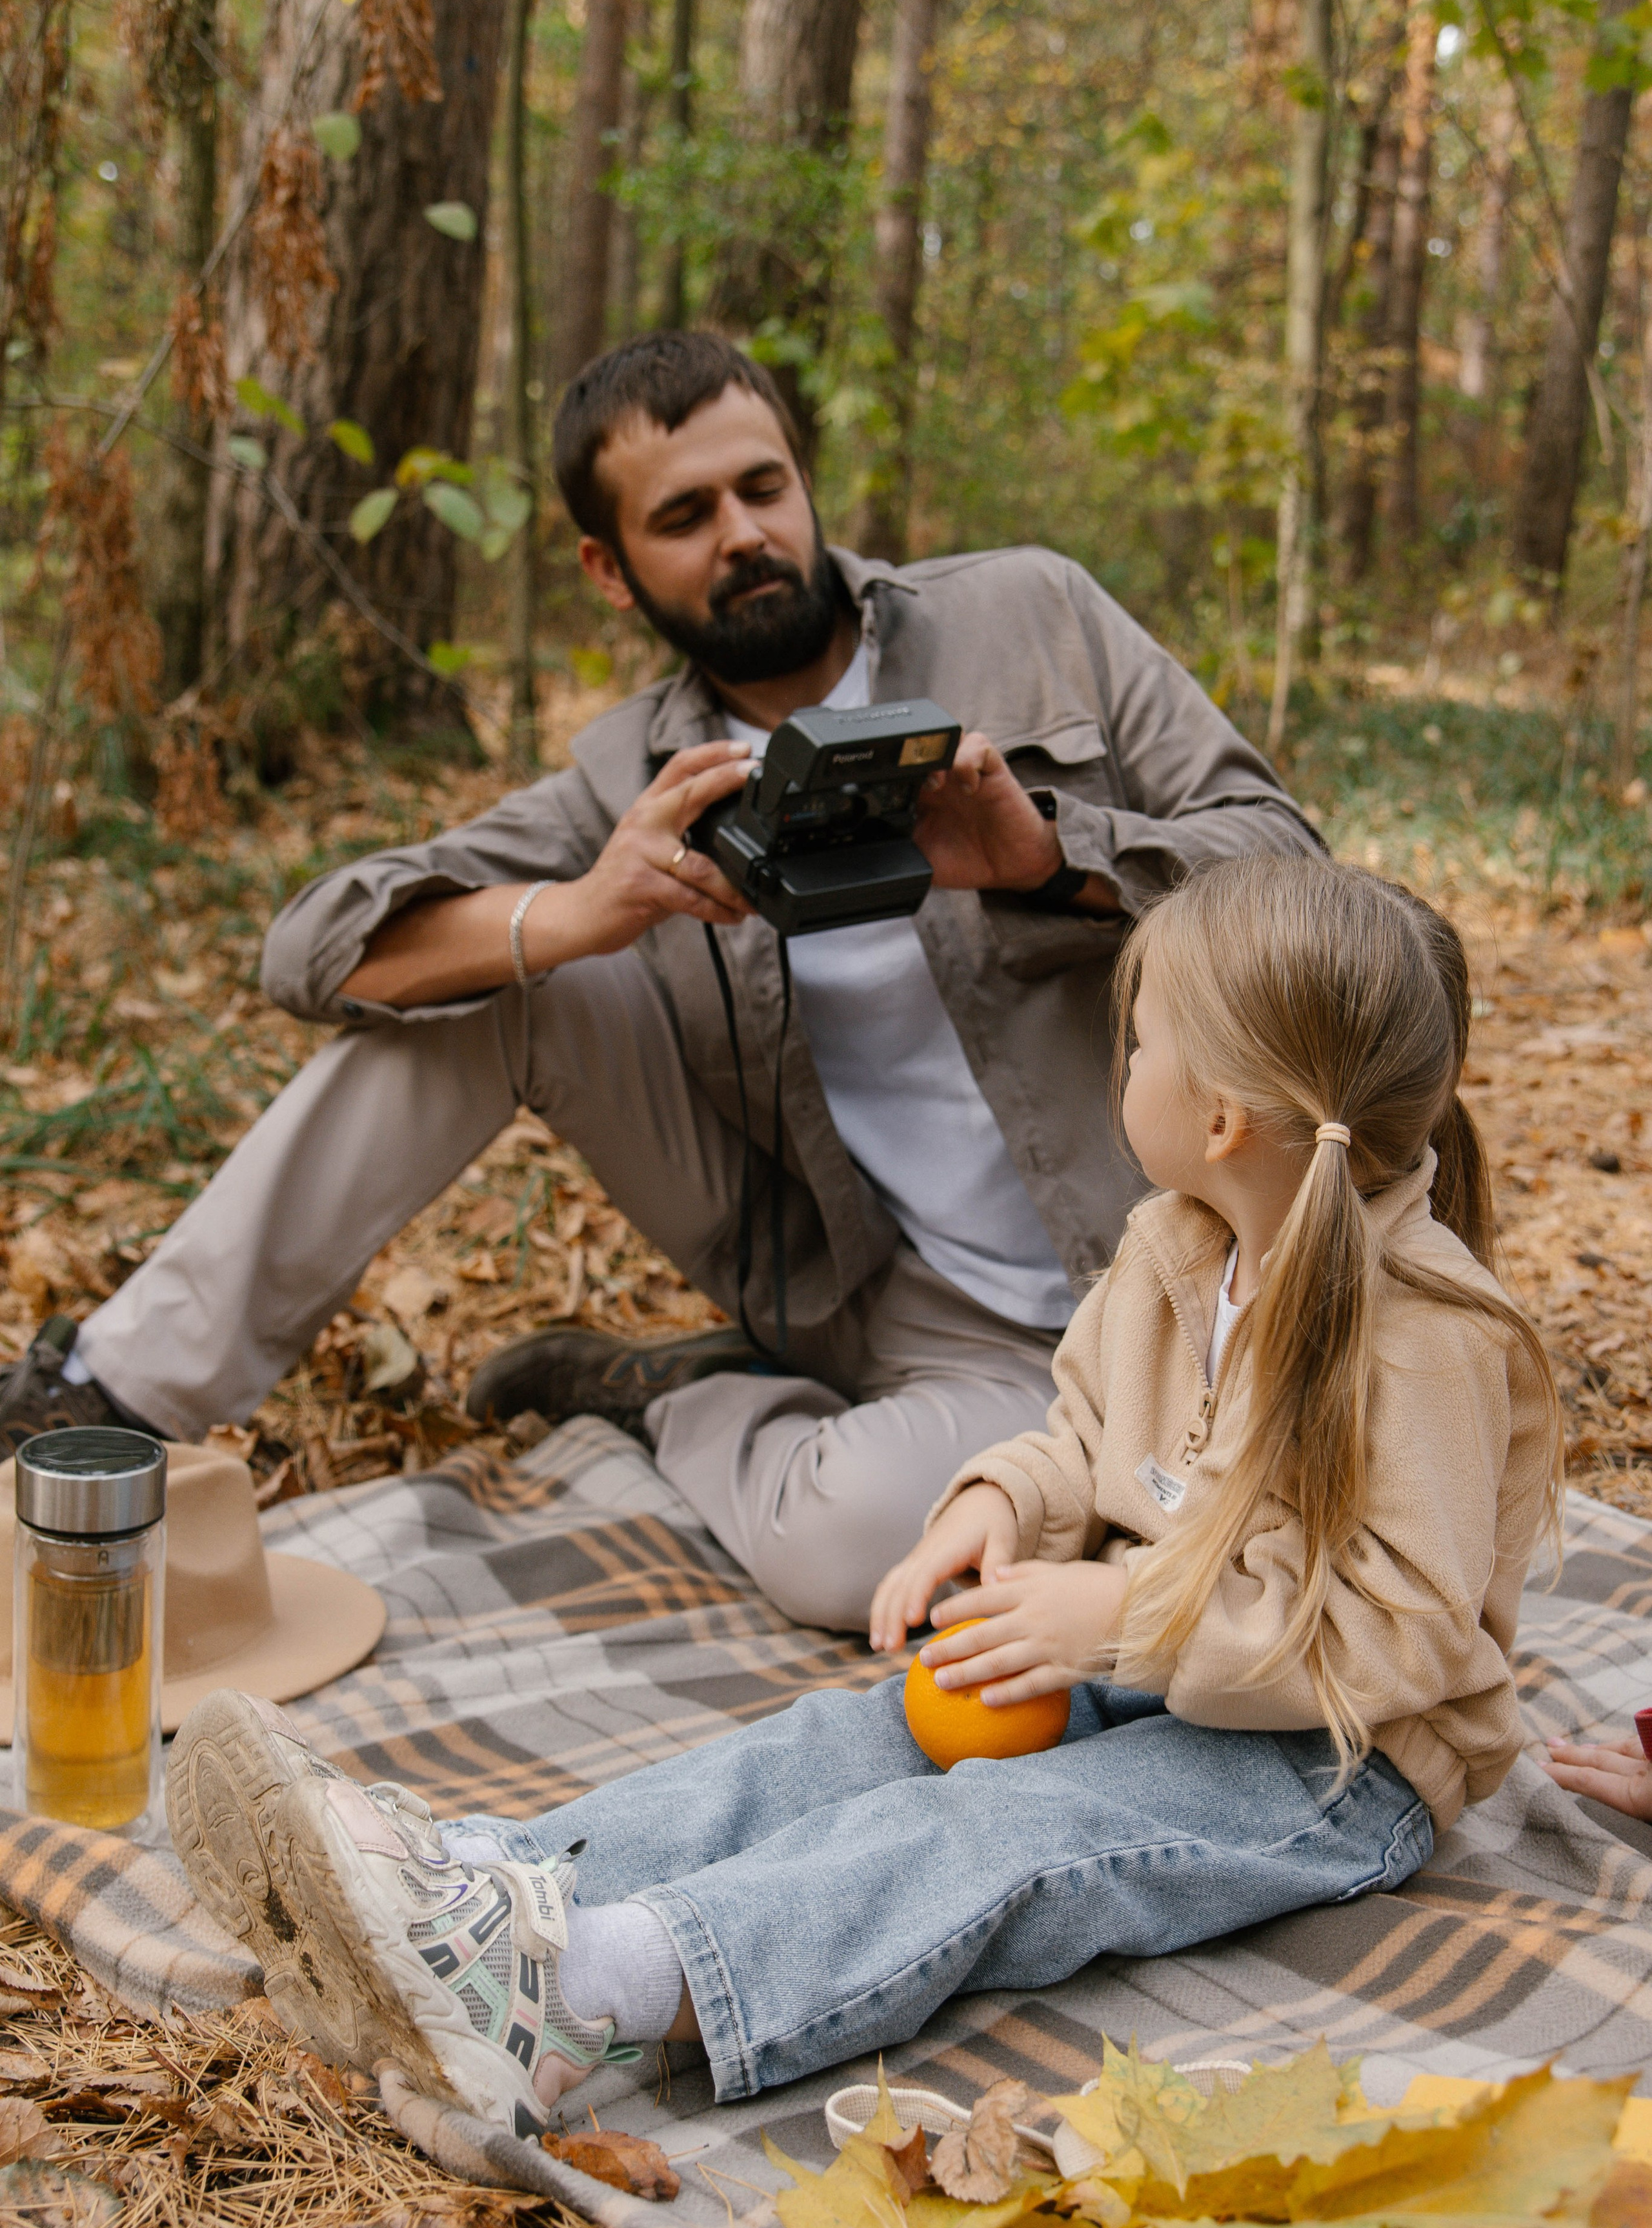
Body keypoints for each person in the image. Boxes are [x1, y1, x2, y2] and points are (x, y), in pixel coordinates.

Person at [166, 855, 1563, 2132]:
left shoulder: (1428, 1334)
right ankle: (483, 1890)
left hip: (1333, 1762)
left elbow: (1401, 1642)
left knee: (1006, 1834)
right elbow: (1080, 1437)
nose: (1114, 1062)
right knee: (845, 1744)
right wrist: (1003, 1506)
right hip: (1148, 1651)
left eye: (1134, 1041)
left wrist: (1121, 1618)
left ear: (1217, 1115)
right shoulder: (1174, 1246)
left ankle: (581, 1993)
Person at [0, 331, 1318, 1630]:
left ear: (803, 484)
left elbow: (1297, 871)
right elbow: (314, 951)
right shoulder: (628, 778)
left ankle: (672, 1394)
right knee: (500, 977)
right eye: (682, 516)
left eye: (761, 488)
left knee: (848, 1546)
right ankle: (108, 1400)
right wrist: (578, 911)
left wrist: (1048, 857)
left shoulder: (1031, 618)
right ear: (609, 569)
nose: (742, 535)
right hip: (891, 1300)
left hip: (1178, 1274)